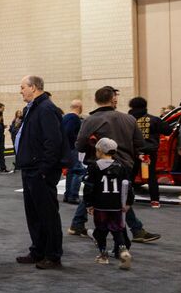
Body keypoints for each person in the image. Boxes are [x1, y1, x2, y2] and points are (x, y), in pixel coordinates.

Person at [68, 86, 159, 244]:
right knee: (119, 197)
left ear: (96, 100)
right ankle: (136, 230)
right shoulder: (129, 119)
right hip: (124, 165)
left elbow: (80, 145)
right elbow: (139, 144)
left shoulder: (91, 120)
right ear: (114, 100)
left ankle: (78, 224)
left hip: (100, 165)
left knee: (100, 193)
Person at [14, 76, 65, 269]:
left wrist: (44, 170)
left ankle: (52, 255)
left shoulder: (46, 109)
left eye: (22, 87)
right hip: (30, 168)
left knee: (47, 215)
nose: (20, 91)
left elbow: (53, 142)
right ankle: (38, 251)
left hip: (40, 171)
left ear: (33, 88)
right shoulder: (33, 108)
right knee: (34, 214)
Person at [83, 138, 134, 270]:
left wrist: (88, 203)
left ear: (99, 151)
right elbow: (128, 186)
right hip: (117, 205)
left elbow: (89, 187)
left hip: (101, 205)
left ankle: (103, 255)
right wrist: (129, 202)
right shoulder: (121, 166)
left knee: (101, 230)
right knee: (118, 230)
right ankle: (123, 250)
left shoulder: (94, 166)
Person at [128, 96, 173, 207]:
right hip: (149, 152)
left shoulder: (127, 119)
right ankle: (155, 201)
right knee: (151, 176)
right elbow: (168, 131)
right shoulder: (153, 119)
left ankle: (126, 199)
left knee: (130, 176)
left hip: (133, 152)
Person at [61, 100, 85, 203]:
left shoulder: (65, 117)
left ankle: (67, 194)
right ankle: (73, 195)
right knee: (78, 171)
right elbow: (69, 132)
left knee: (71, 172)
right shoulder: (74, 118)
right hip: (73, 148)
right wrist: (76, 142)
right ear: (79, 107)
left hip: (67, 148)